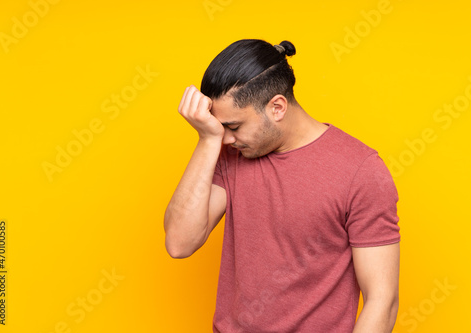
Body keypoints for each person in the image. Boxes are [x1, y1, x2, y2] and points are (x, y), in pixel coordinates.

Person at [164, 39, 400, 333]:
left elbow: (382, 300)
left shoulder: (361, 170)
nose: (227, 138)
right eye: (219, 128)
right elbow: (179, 242)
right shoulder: (229, 153)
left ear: (277, 107)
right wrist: (207, 139)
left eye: (233, 127)